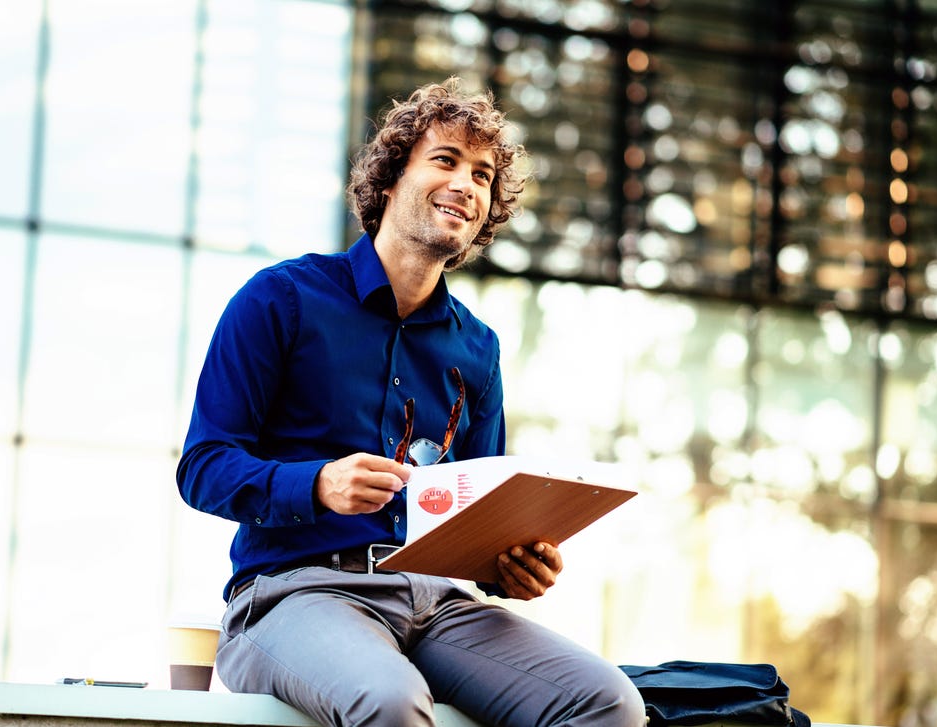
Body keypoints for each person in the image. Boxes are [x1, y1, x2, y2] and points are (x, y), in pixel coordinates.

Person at [177, 77, 645, 727]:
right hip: (293, 594)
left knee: (608, 701)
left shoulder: (477, 349)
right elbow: (203, 465)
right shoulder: (280, 299)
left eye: (482, 175)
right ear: (391, 178)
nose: (467, 185)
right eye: (446, 160)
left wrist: (509, 564)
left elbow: (478, 512)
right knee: (391, 701)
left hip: (439, 603)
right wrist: (318, 483)